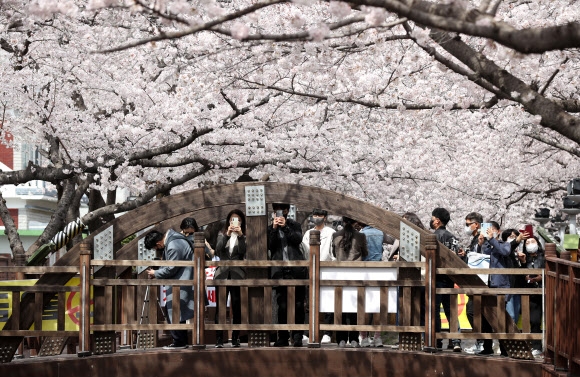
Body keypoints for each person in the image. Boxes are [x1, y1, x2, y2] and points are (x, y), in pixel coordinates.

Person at [145, 229, 194, 350]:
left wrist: (155, 273)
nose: (156, 250)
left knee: (174, 310)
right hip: (184, 280)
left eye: (154, 248)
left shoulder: (173, 245)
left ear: (158, 244)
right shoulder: (175, 240)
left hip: (182, 282)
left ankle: (179, 342)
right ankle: (180, 341)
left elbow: (171, 268)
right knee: (174, 311)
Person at [268, 202, 306, 347]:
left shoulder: (294, 224)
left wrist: (286, 227)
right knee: (282, 305)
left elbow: (297, 239)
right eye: (275, 210)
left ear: (286, 211)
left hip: (296, 269)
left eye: (280, 210)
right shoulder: (271, 227)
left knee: (298, 305)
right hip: (279, 270)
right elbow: (270, 246)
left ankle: (297, 337)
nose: (278, 213)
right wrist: (274, 229)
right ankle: (282, 336)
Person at [332, 216, 368, 348]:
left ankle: (341, 339)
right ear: (355, 222)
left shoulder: (335, 235)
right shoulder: (360, 236)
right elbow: (365, 252)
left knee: (340, 307)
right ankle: (354, 339)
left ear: (343, 221)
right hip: (355, 275)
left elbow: (334, 254)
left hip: (340, 275)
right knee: (354, 308)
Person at [460, 212, 493, 355]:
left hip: (483, 281)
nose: (466, 227)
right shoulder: (474, 240)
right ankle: (484, 343)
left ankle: (484, 342)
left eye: (468, 224)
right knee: (474, 311)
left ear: (476, 224)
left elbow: (485, 256)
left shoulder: (484, 238)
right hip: (475, 280)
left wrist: (481, 244)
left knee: (475, 311)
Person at [301, 208, 335, 344]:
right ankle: (306, 333)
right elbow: (304, 250)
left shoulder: (331, 233)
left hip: (326, 269)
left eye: (320, 215)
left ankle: (327, 333)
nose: (317, 217)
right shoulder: (308, 233)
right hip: (310, 269)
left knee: (328, 302)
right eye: (315, 215)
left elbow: (333, 253)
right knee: (309, 302)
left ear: (325, 217)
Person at [430, 208, 462, 352]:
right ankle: (456, 340)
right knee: (451, 310)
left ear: (437, 220)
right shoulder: (452, 237)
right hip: (450, 277)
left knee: (435, 310)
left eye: (432, 218)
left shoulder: (433, 237)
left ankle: (436, 340)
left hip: (436, 278)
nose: (431, 220)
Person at [214, 209, 247, 348]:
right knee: (220, 307)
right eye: (233, 219)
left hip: (237, 274)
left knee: (237, 305)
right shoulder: (221, 234)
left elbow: (242, 251)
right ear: (228, 221)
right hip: (222, 273)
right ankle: (219, 338)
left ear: (241, 222)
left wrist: (240, 236)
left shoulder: (244, 236)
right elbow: (218, 249)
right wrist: (227, 234)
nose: (235, 222)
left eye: (238, 219)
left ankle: (235, 337)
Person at [481, 221, 511, 357]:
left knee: (500, 317)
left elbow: (504, 252)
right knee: (485, 316)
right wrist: (482, 242)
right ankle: (487, 346)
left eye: (492, 229)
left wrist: (492, 239)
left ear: (498, 231)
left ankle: (504, 348)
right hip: (485, 284)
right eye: (487, 230)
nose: (489, 232)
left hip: (500, 286)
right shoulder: (487, 246)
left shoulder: (505, 244)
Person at [359, 222, 385, 347]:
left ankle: (364, 337)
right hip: (378, 270)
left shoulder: (361, 234)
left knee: (364, 305)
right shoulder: (380, 233)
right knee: (377, 305)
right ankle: (377, 337)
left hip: (364, 270)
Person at [521, 236, 545, 357]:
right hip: (531, 293)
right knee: (534, 320)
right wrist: (524, 264)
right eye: (527, 242)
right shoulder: (524, 258)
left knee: (549, 320)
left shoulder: (545, 256)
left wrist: (542, 277)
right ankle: (536, 346)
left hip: (545, 292)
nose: (530, 244)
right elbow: (519, 274)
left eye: (532, 241)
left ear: (538, 243)